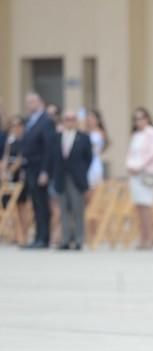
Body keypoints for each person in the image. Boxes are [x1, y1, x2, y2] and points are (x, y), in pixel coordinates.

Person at [52, 110, 93, 250]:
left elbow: (88, 158)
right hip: (61, 177)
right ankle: (65, 239)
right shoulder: (57, 137)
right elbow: (53, 158)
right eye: (67, 119)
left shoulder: (84, 138)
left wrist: (81, 173)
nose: (70, 121)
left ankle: (79, 239)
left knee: (77, 209)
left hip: (77, 178)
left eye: (72, 119)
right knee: (63, 210)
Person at [126, 107, 153, 250]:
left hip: (147, 173)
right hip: (135, 173)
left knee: (147, 205)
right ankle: (143, 236)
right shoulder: (136, 135)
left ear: (147, 119)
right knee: (139, 206)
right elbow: (130, 153)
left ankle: (150, 237)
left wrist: (140, 166)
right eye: (136, 119)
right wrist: (129, 165)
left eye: (141, 118)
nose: (139, 121)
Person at [22, 92, 56, 249]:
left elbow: (49, 148)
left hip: (40, 168)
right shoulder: (29, 121)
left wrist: (45, 171)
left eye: (33, 101)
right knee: (35, 204)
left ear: (40, 102)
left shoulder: (46, 121)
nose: (30, 105)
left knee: (42, 204)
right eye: (28, 102)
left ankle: (44, 238)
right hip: (30, 168)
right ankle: (37, 237)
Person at [86, 110, 108, 189]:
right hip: (86, 162)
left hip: (95, 161)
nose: (90, 120)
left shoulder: (101, 132)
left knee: (96, 185)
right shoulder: (86, 132)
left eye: (92, 118)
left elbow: (104, 144)